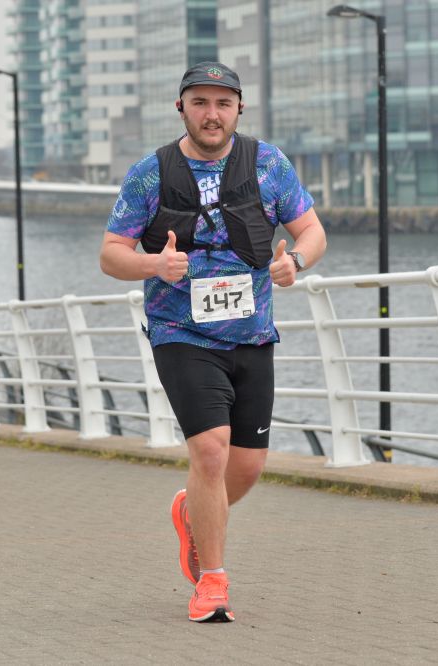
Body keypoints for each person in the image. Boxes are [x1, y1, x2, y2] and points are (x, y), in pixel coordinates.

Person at [99, 61, 327, 622]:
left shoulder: (269, 164)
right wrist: (155, 263)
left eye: (223, 103)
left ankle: (191, 515)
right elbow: (110, 254)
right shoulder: (150, 174)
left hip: (252, 334)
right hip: (181, 332)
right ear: (182, 107)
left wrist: (295, 262)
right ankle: (213, 583)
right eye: (200, 102)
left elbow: (312, 230)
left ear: (239, 108)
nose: (211, 113)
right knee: (209, 449)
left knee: (245, 468)